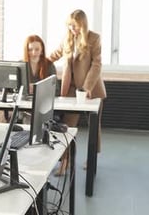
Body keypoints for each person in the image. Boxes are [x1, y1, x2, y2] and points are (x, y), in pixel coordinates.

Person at [48, 9, 107, 176]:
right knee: (67, 125)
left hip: (92, 89)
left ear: (82, 24)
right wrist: (39, 61)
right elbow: (55, 54)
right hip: (72, 90)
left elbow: (97, 65)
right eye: (69, 25)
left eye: (74, 25)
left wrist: (87, 87)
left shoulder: (93, 38)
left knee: (94, 126)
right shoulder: (67, 39)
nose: (72, 28)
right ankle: (64, 161)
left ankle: (92, 157)